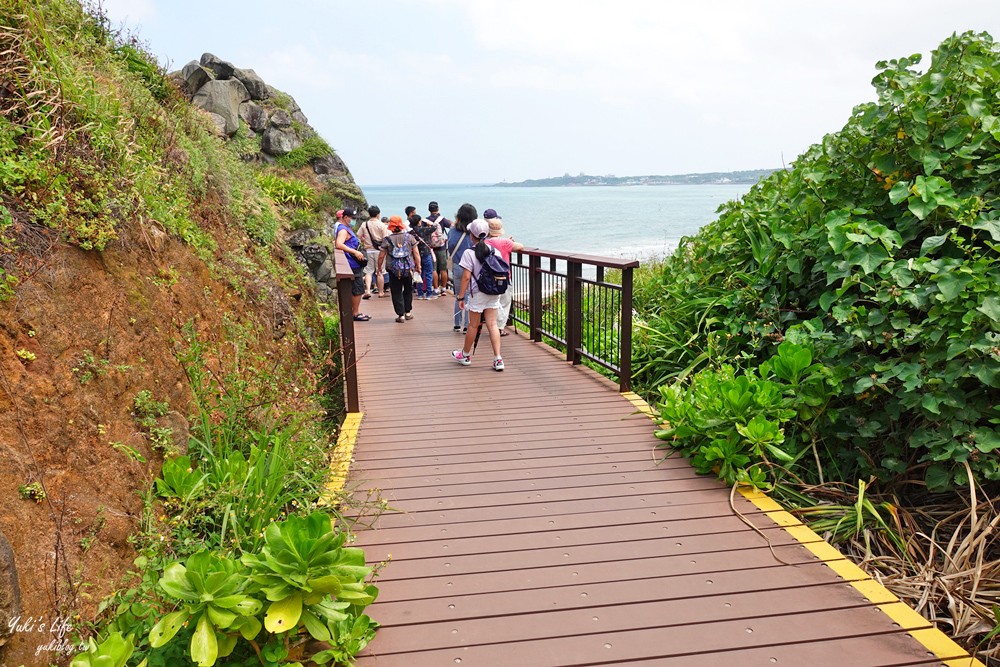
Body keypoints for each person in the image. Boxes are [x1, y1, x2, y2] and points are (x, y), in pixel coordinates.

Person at [452, 219, 505, 371]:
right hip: (494, 292)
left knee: (473, 325)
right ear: (487, 234)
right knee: (492, 324)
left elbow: (466, 277)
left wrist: (461, 297)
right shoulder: (495, 251)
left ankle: (465, 355)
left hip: (477, 294)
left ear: (471, 236)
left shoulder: (469, 253)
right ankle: (498, 359)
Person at [483, 210, 524, 336]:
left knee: (492, 302)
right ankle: (499, 328)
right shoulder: (505, 243)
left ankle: (492, 326)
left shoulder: (484, 242)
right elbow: (520, 246)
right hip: (503, 276)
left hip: (488, 278)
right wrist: (509, 241)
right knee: (505, 302)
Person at [377, 216, 422, 323]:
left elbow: (381, 256)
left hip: (393, 269)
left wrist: (379, 267)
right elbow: (416, 253)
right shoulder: (410, 237)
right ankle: (408, 312)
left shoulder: (387, 240)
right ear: (401, 226)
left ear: (391, 227)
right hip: (408, 268)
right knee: (408, 290)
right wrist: (418, 266)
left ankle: (400, 315)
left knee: (396, 291)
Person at [334, 207, 370, 321]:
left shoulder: (345, 228)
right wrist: (355, 251)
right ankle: (355, 313)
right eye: (352, 218)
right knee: (357, 289)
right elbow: (339, 244)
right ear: (345, 217)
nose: (354, 220)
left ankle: (354, 312)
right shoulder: (343, 230)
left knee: (356, 288)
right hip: (352, 264)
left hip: (353, 263)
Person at [447, 203, 477, 332]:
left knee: (459, 296)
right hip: (473, 267)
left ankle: (457, 324)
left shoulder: (452, 231)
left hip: (457, 266)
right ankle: (467, 325)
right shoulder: (474, 232)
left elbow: (450, 246)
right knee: (470, 296)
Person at [357, 205, 388, 297]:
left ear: (369, 214)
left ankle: (367, 291)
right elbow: (385, 239)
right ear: (378, 214)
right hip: (380, 251)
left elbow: (358, 236)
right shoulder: (382, 225)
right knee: (380, 271)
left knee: (368, 271)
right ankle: (381, 292)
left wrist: (365, 240)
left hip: (369, 250)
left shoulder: (364, 224)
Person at [426, 201, 451, 295]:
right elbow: (452, 226)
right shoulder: (442, 219)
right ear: (438, 209)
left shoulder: (425, 221)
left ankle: (435, 288)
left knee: (433, 269)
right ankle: (444, 288)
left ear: (429, 210)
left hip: (431, 248)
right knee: (443, 269)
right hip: (442, 247)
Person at [410, 213, 436, 299]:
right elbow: (435, 226)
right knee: (428, 274)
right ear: (418, 222)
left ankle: (420, 294)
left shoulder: (411, 233)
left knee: (419, 273)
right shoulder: (425, 230)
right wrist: (429, 222)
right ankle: (429, 294)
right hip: (426, 254)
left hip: (416, 256)